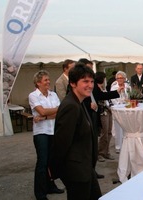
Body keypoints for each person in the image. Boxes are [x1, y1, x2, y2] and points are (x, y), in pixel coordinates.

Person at [49, 63, 102, 200]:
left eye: (91, 81)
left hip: (85, 168)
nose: (90, 85)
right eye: (85, 81)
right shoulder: (71, 106)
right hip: (76, 172)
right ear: (72, 83)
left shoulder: (79, 102)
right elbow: (61, 142)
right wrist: (54, 170)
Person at [28, 70, 63, 200]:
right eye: (45, 80)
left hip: (53, 131)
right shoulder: (33, 96)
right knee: (42, 162)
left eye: (48, 79)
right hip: (41, 133)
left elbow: (59, 112)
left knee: (52, 161)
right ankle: (40, 193)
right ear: (38, 83)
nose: (48, 82)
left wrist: (44, 116)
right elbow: (41, 111)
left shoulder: (53, 94)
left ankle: (51, 186)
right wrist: (47, 114)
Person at [78, 58, 105, 179]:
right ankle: (88, 172)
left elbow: (98, 96)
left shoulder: (91, 84)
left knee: (94, 144)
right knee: (86, 146)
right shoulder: (76, 86)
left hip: (94, 114)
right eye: (88, 67)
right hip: (86, 115)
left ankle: (92, 170)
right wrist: (88, 105)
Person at [92, 72, 123, 162]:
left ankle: (106, 152)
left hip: (108, 111)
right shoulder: (95, 88)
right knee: (104, 134)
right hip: (102, 112)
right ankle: (100, 153)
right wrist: (116, 92)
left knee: (109, 133)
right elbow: (103, 96)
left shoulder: (102, 87)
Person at [110, 71, 131, 153]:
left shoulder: (128, 87)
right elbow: (112, 98)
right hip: (117, 109)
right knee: (118, 128)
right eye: (118, 78)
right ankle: (118, 146)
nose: (119, 79)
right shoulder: (113, 87)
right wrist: (119, 104)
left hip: (126, 109)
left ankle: (126, 145)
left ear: (124, 79)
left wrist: (125, 92)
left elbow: (129, 97)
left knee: (126, 127)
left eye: (121, 78)